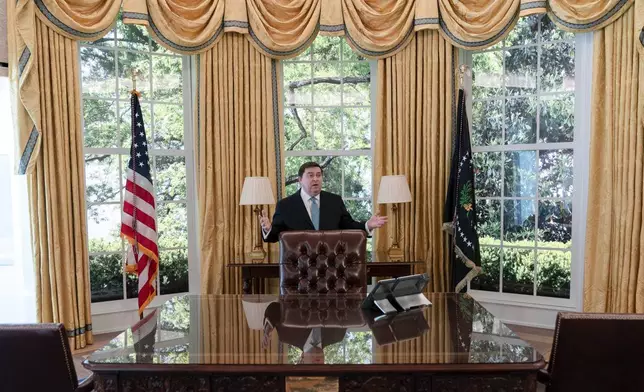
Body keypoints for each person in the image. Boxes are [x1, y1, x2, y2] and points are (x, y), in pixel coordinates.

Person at [260, 161, 388, 243]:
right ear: (300, 179)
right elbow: (275, 235)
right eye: (310, 175)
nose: (315, 179)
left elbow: (349, 226)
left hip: (331, 264)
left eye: (319, 175)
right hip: (299, 267)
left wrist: (368, 225)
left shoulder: (334, 201)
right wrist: (268, 229)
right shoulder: (285, 205)